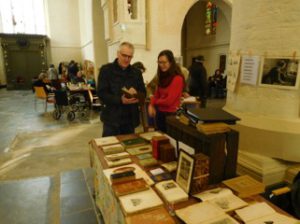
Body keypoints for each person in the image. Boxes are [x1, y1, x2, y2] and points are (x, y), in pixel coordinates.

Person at [98, 42, 146, 137]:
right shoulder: (106, 70)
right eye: (124, 55)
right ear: (118, 53)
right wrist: (120, 100)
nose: (127, 59)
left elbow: (143, 93)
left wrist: (137, 93)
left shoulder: (136, 73)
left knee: (129, 148)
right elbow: (102, 94)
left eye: (130, 57)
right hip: (111, 119)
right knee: (110, 149)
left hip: (129, 120)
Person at [148, 50, 185, 132]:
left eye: (164, 62)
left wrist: (153, 102)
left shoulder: (177, 78)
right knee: (160, 138)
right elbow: (156, 95)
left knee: (170, 142)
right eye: (160, 62)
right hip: (160, 113)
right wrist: (151, 104)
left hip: (172, 115)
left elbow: (168, 101)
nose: (162, 65)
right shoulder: (161, 77)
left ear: (171, 62)